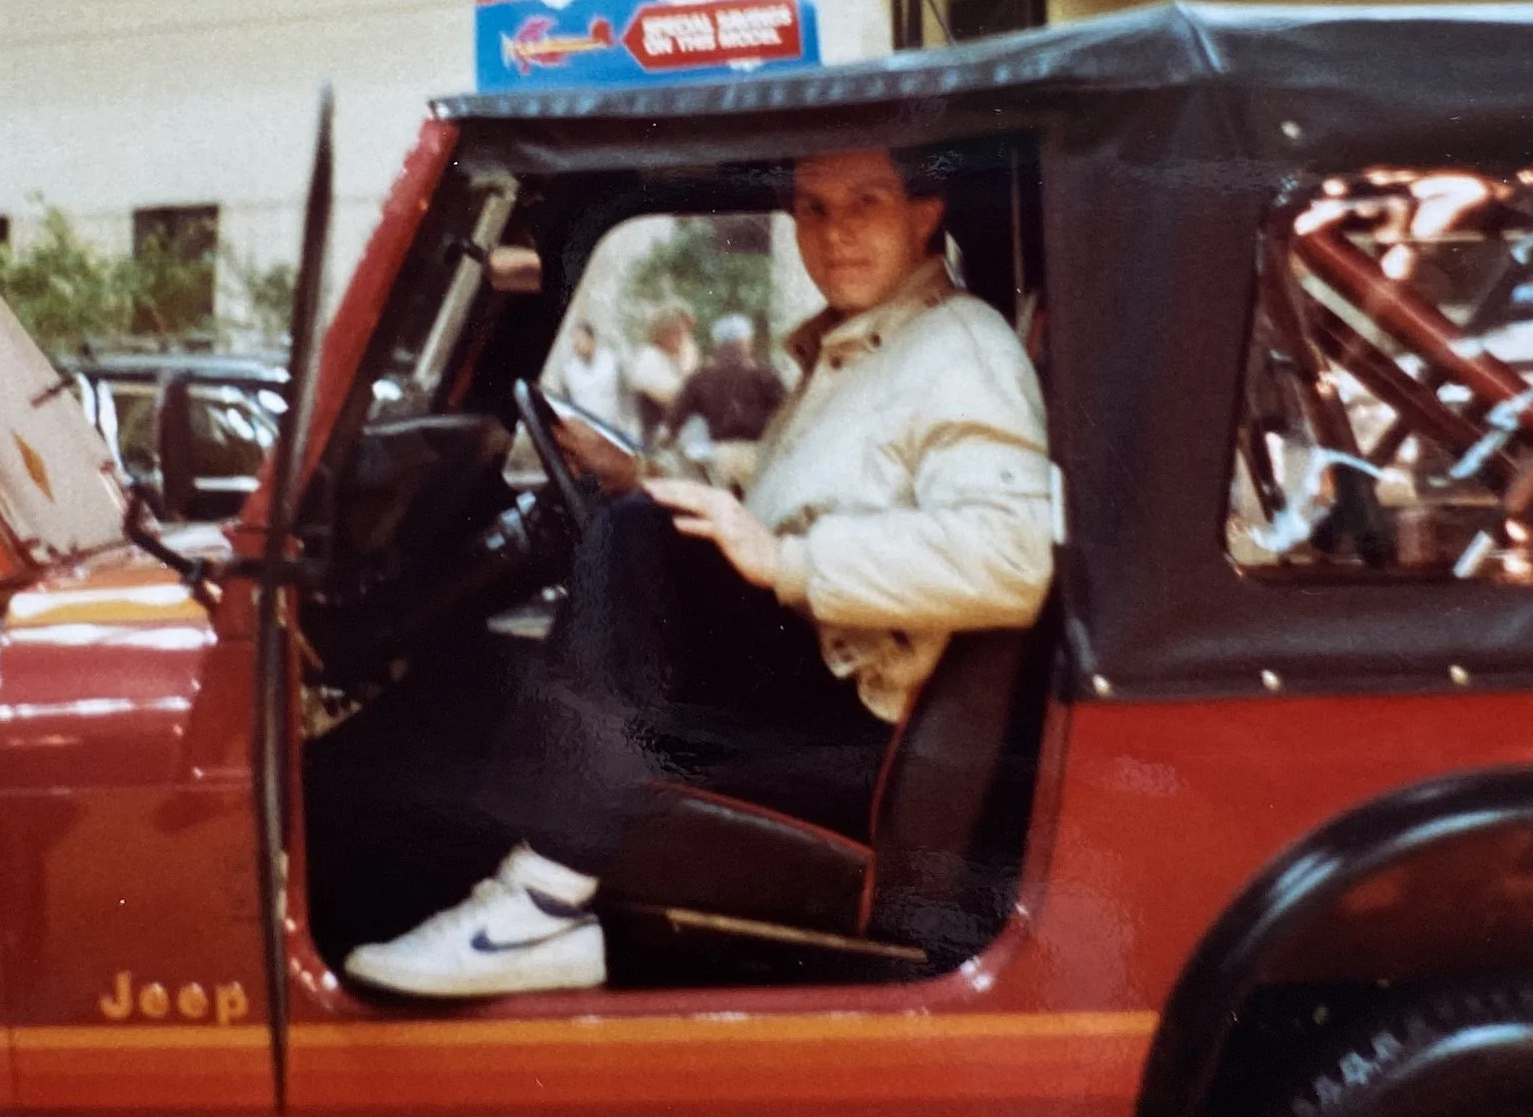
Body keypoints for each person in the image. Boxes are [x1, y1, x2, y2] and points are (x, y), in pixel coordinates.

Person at [340, 147, 1053, 997]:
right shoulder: (862, 351)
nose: (836, 234)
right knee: (475, 678)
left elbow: (1014, 556)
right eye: (815, 209)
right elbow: (792, 503)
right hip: (820, 682)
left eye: (866, 202)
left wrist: (784, 560)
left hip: (854, 721)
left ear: (925, 212)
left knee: (641, 541)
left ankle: (540, 900)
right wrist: (640, 475)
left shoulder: (959, 349)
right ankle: (449, 898)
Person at [664, 313, 785, 446]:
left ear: (717, 343)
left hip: (722, 451)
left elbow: (677, 415)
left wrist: (668, 437)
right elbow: (785, 405)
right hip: (763, 447)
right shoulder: (761, 372)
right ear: (745, 341)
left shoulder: (700, 376)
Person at [623, 309, 698, 443]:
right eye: (678, 333)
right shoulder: (648, 358)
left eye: (686, 333)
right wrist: (689, 367)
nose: (684, 340)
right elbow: (676, 401)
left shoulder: (671, 359)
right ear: (663, 333)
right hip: (647, 443)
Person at [553, 321, 626, 428]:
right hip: (587, 430)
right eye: (574, 340)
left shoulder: (611, 361)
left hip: (613, 426)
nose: (577, 344)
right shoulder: (569, 372)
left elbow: (624, 392)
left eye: (581, 339)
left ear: (592, 338)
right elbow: (567, 402)